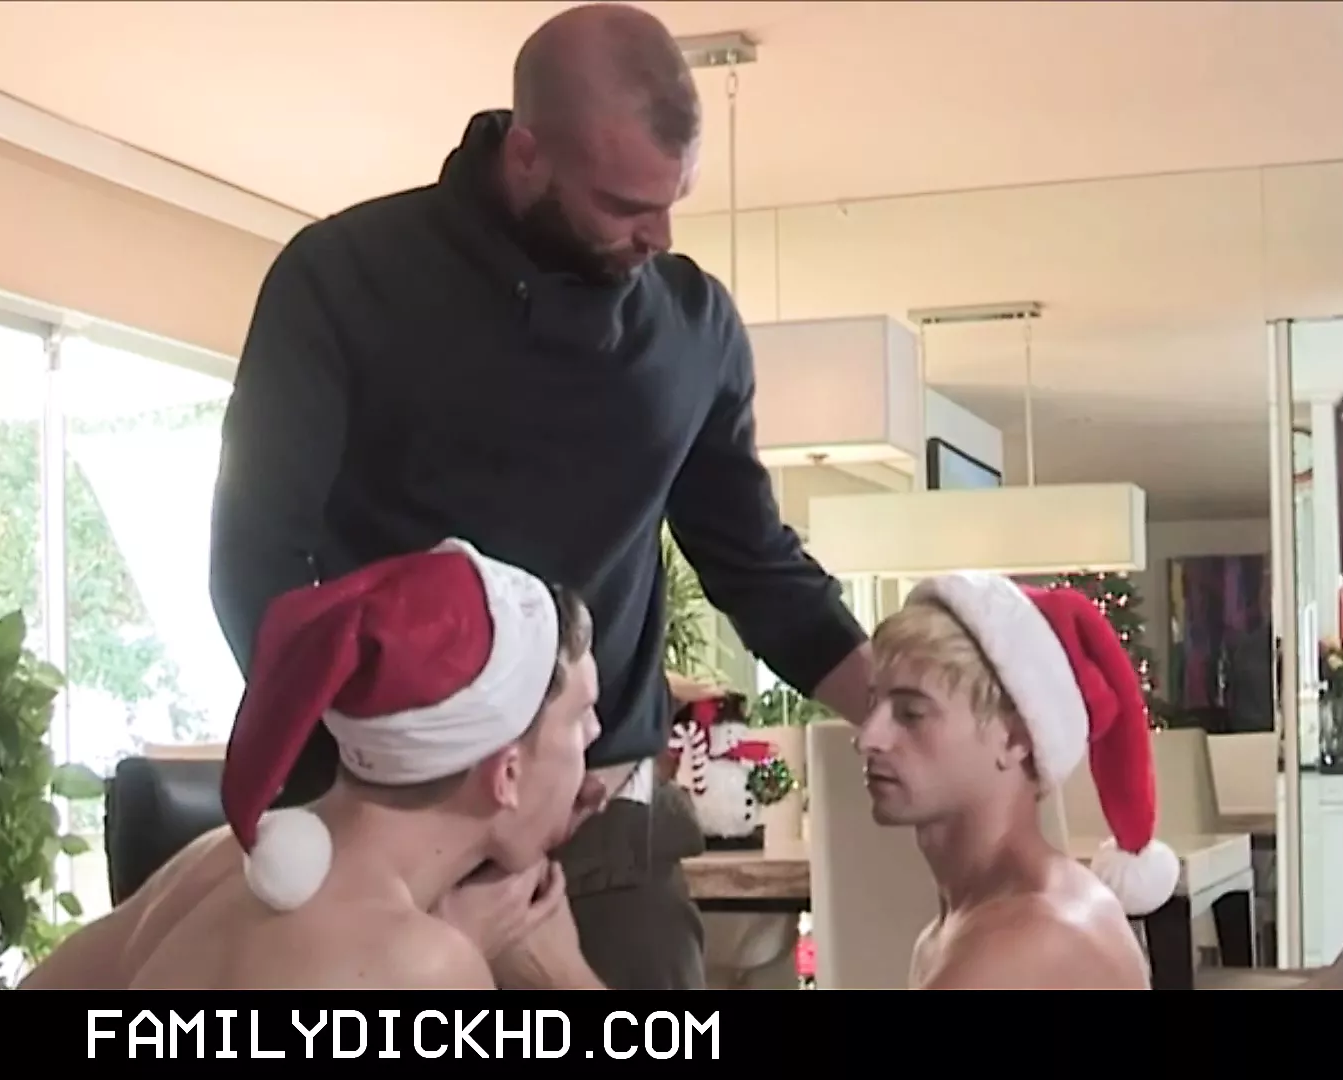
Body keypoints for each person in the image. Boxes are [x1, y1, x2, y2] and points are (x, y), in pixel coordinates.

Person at [208, 1, 871, 991]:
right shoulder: (344, 277)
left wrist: (898, 706)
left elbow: (754, 563)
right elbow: (257, 562)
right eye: (623, 204)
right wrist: (375, 780)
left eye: (674, 200)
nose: (659, 235)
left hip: (605, 829)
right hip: (386, 830)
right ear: (527, 155)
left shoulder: (693, 328)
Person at [20, 539, 606, 990]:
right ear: (507, 775)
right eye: (580, 717)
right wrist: (561, 976)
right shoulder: (426, 966)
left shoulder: (220, 860)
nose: (596, 734)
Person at [860, 572, 1183, 990]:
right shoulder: (972, 925)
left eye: (911, 714)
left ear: (1015, 738)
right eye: (873, 704)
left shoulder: (1025, 942)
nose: (868, 737)